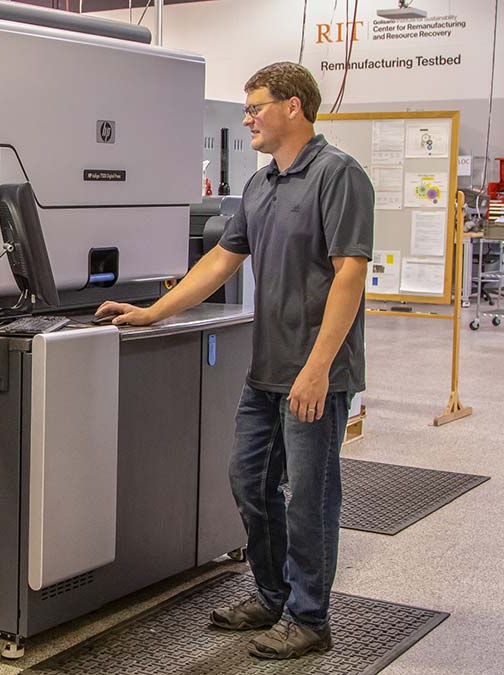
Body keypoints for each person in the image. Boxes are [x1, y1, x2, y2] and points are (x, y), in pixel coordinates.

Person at [95, 62, 372, 659]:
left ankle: (309, 617)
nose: (246, 117)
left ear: (293, 106)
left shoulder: (338, 175)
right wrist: (153, 312)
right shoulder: (260, 184)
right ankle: (272, 595)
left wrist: (319, 367)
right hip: (267, 369)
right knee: (249, 482)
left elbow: (351, 274)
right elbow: (221, 260)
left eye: (256, 106)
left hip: (316, 372)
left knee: (310, 496)